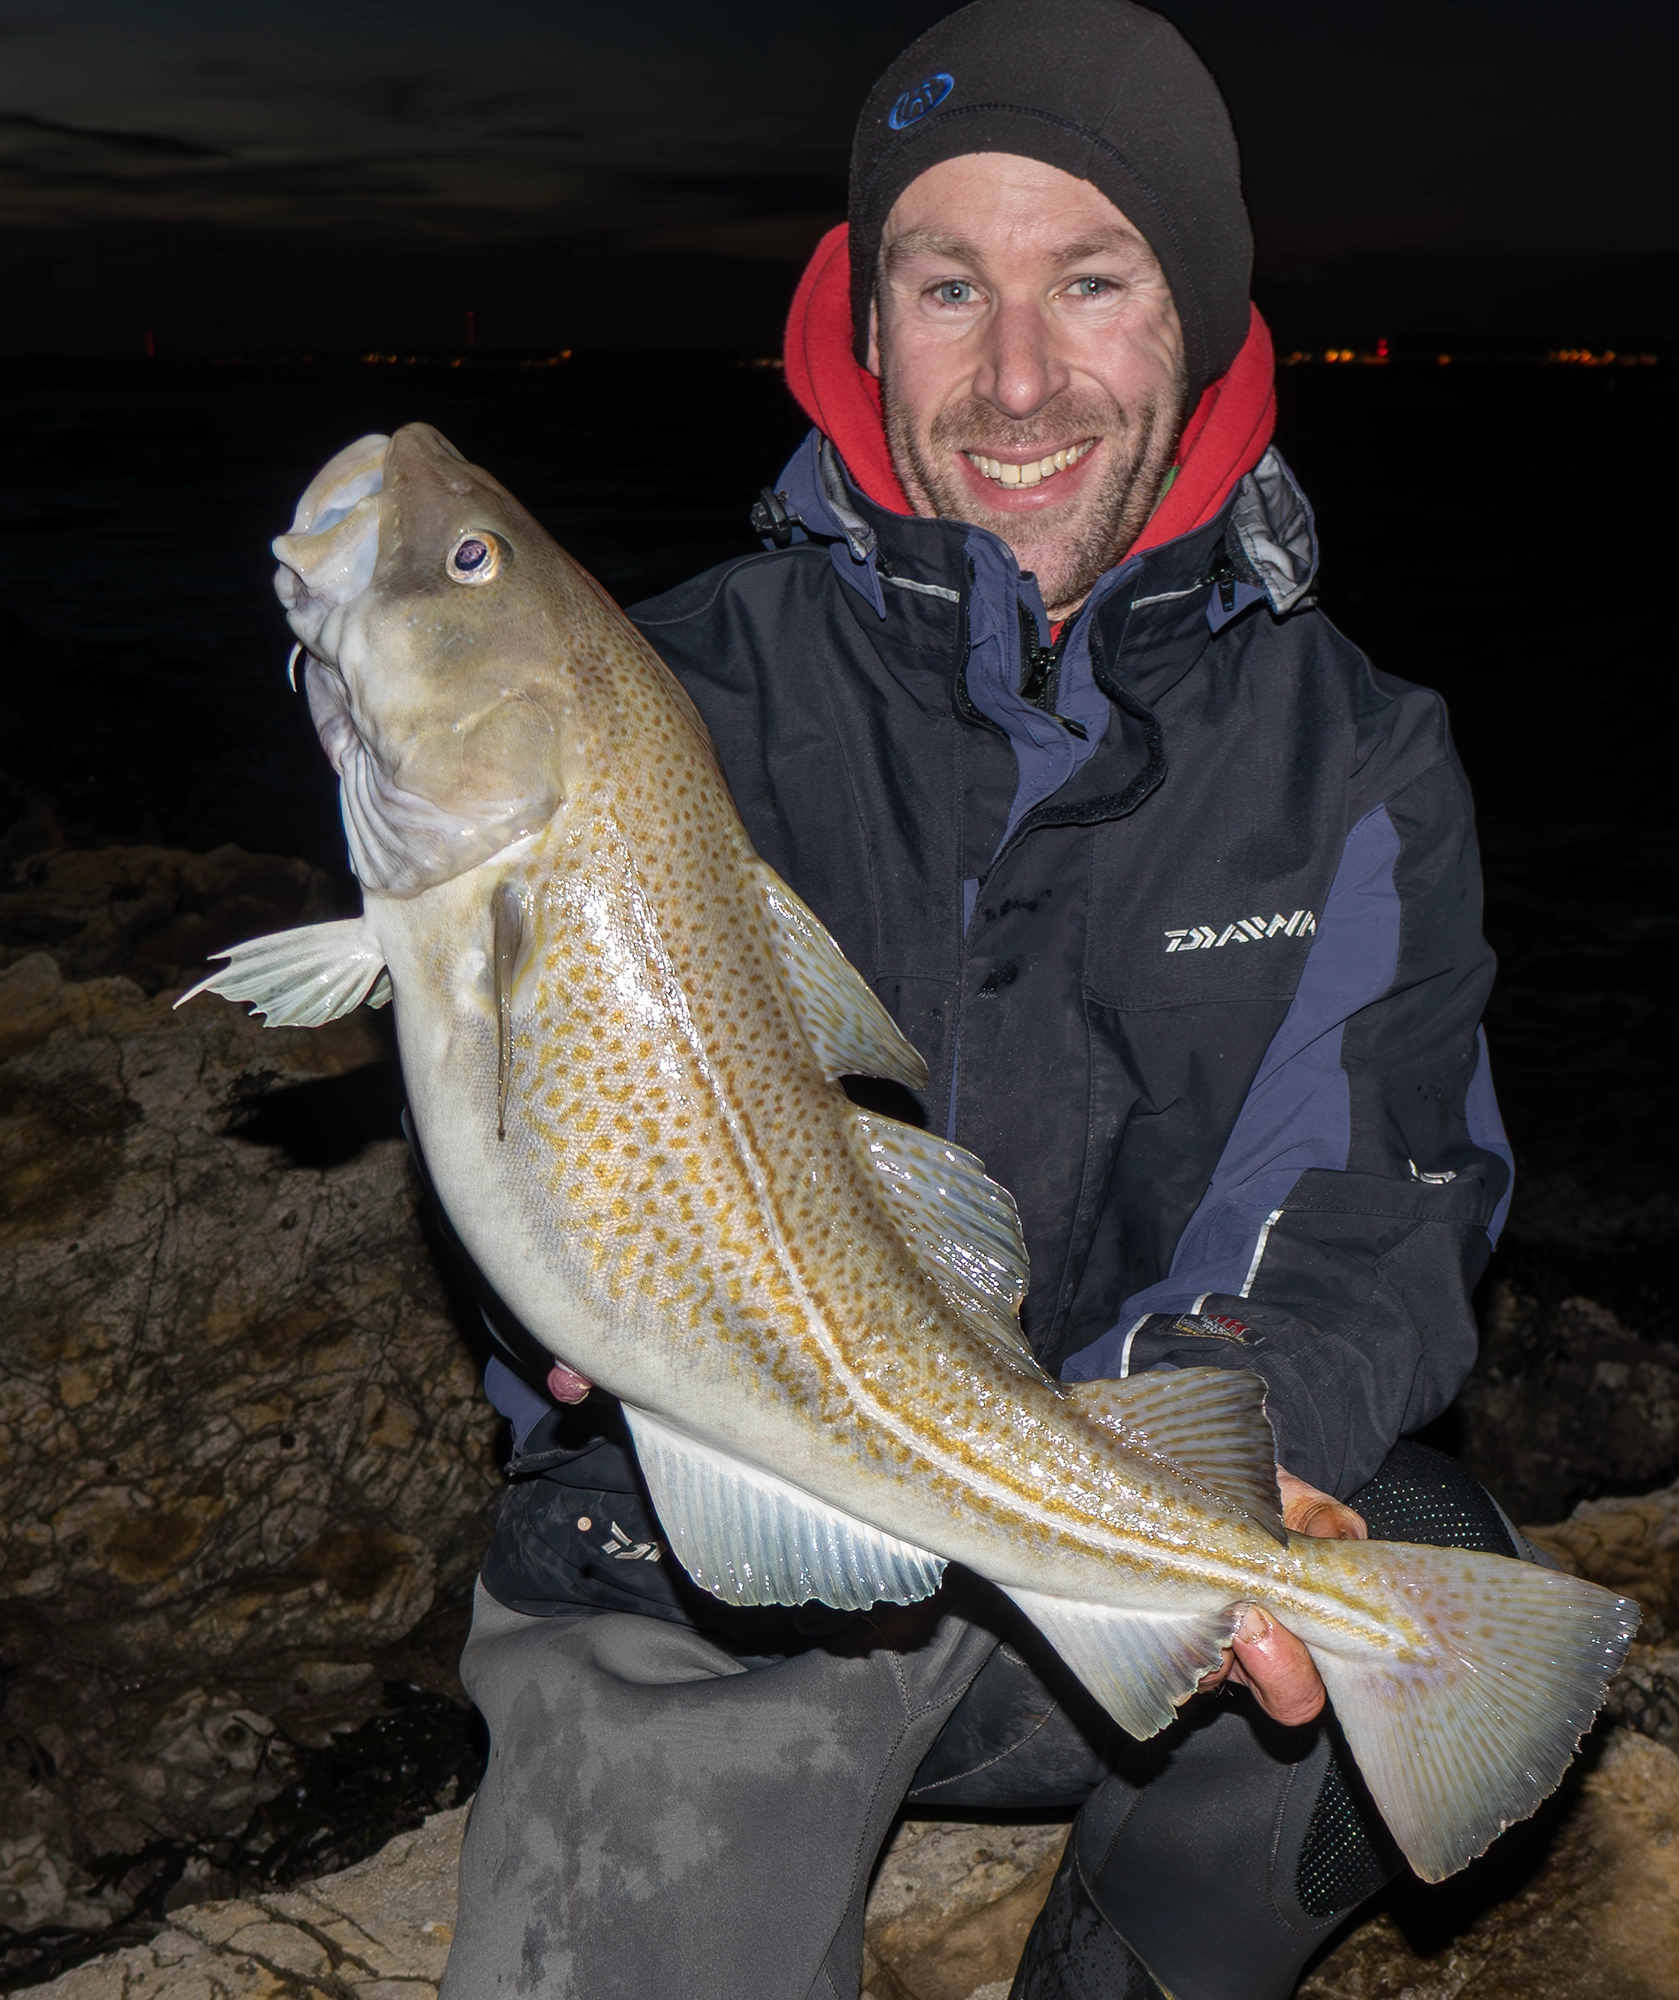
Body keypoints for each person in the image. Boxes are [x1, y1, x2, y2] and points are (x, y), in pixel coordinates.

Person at [438, 3, 1526, 1996]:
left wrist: (1227, 1426)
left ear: (1194, 320)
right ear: (864, 320)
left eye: (1089, 282)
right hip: (715, 1542)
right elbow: (517, 1110)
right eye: (948, 287)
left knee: (1425, 1588)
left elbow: (1370, 1183)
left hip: (1085, 1537)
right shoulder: (661, 707)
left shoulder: (1357, 758)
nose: (1018, 376)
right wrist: (574, 1293)